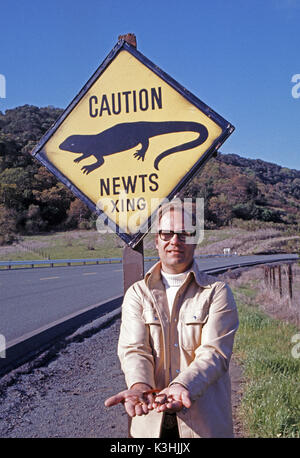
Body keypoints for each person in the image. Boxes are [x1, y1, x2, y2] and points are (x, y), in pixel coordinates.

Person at [105, 201, 239, 438]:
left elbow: (215, 353)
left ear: (195, 239)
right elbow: (134, 349)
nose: (174, 240)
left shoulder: (217, 292)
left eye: (184, 233)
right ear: (156, 240)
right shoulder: (138, 293)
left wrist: (182, 386)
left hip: (203, 426)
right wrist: (140, 386)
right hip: (150, 423)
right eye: (166, 233)